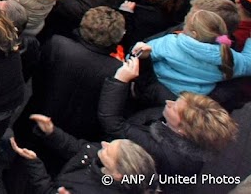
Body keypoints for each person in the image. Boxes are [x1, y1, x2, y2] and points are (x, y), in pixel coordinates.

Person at [99, 57, 239, 180]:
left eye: (174, 107)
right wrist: (145, 59)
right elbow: (152, 86)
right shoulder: (182, 112)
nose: (168, 102)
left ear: (182, 130)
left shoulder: (164, 153)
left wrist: (119, 80)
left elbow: (112, 123)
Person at [27, 6, 125, 142]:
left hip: (37, 114)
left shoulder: (57, 44)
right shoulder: (118, 70)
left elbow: (37, 74)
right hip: (75, 135)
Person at [13, 114, 157, 193]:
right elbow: (75, 148)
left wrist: (33, 163)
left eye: (108, 150)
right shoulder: (97, 154)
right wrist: (52, 132)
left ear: (117, 175)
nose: (103, 144)